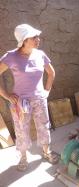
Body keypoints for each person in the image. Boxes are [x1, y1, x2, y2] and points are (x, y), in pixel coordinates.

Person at [0, 24, 58, 171]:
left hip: (39, 100)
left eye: (37, 36)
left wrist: (47, 91)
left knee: (44, 127)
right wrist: (6, 95)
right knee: (21, 130)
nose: (38, 39)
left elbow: (51, 73)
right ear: (24, 40)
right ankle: (23, 157)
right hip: (20, 103)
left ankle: (46, 152)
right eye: (34, 37)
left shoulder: (41, 54)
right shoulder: (11, 56)